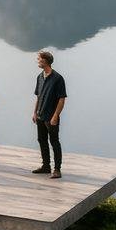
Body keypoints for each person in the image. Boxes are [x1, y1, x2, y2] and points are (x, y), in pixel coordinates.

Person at [32, 49, 67, 178]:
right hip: (40, 115)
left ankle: (57, 169)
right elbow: (38, 97)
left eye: (39, 59)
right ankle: (46, 166)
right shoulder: (40, 77)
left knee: (54, 141)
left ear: (45, 61)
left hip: (51, 117)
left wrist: (55, 116)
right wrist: (35, 113)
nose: (37, 61)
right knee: (41, 140)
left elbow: (62, 99)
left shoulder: (58, 78)